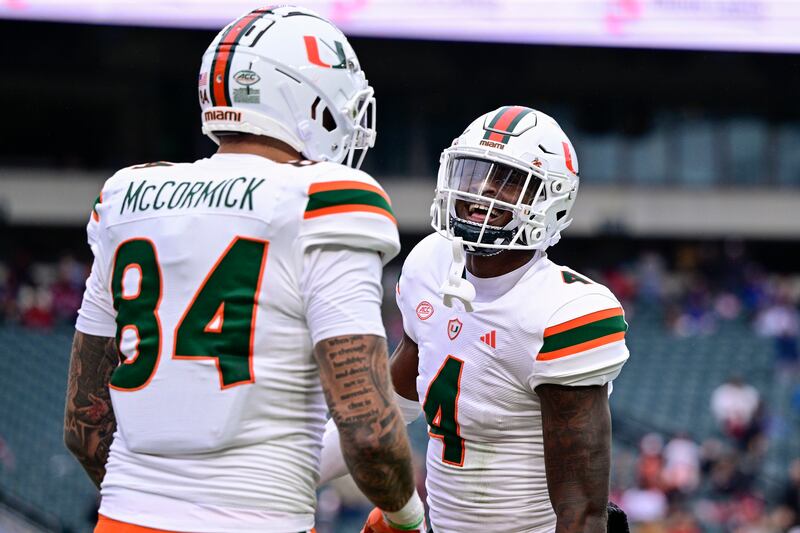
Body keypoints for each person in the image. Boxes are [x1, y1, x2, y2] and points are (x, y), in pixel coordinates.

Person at [63, 6, 425, 533]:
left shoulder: (125, 195)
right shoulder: (326, 197)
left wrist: (160, 502)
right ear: (306, 98)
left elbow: (84, 425)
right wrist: (406, 517)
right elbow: (368, 430)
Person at [319, 106, 631, 532]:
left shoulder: (565, 311)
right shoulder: (430, 263)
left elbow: (581, 511)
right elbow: (389, 409)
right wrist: (297, 476)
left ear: (549, 199)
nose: (482, 190)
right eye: (474, 173)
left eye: (506, 180)